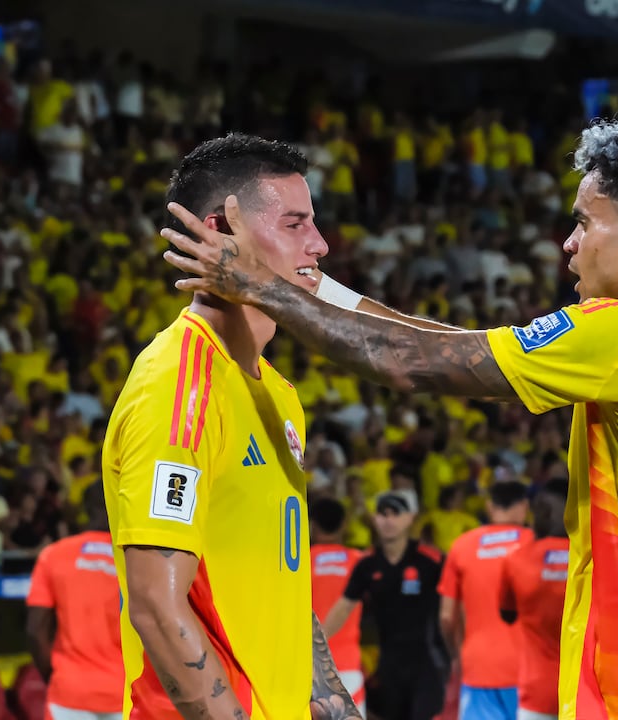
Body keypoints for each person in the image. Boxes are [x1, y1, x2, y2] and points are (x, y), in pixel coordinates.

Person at [163, 116, 618, 718]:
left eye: (582, 221)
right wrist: (319, 291)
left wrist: (262, 286)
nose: (568, 244)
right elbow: (460, 345)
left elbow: (410, 364)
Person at [102, 133, 359, 720]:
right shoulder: (179, 383)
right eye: (295, 224)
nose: (319, 245)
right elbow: (155, 604)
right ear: (221, 232)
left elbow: (283, 594)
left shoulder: (280, 394)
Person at [323, 490, 447, 720]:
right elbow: (343, 607)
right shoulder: (368, 564)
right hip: (389, 666)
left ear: (410, 518)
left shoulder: (430, 561)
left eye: (395, 514)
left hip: (427, 664)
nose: (388, 520)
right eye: (382, 514)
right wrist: (316, 643)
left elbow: (453, 604)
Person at [26, 483, 124, 720]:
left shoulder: (53, 555)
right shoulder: (135, 560)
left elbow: (35, 631)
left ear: (86, 509)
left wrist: (55, 677)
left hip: (69, 695)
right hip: (125, 693)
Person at [438, 480, 533, 720]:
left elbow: (446, 616)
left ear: (490, 506)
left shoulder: (462, 546)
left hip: (478, 666)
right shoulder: (537, 543)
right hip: (531, 669)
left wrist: (456, 654)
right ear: (524, 506)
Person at [499, 480, 570, 720]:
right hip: (586, 693)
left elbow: (506, 614)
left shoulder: (516, 559)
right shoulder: (596, 560)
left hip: (537, 694)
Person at [310, 498, 367, 717]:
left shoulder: (301, 562)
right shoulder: (359, 561)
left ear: (312, 525)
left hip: (311, 667)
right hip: (348, 664)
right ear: (344, 525)